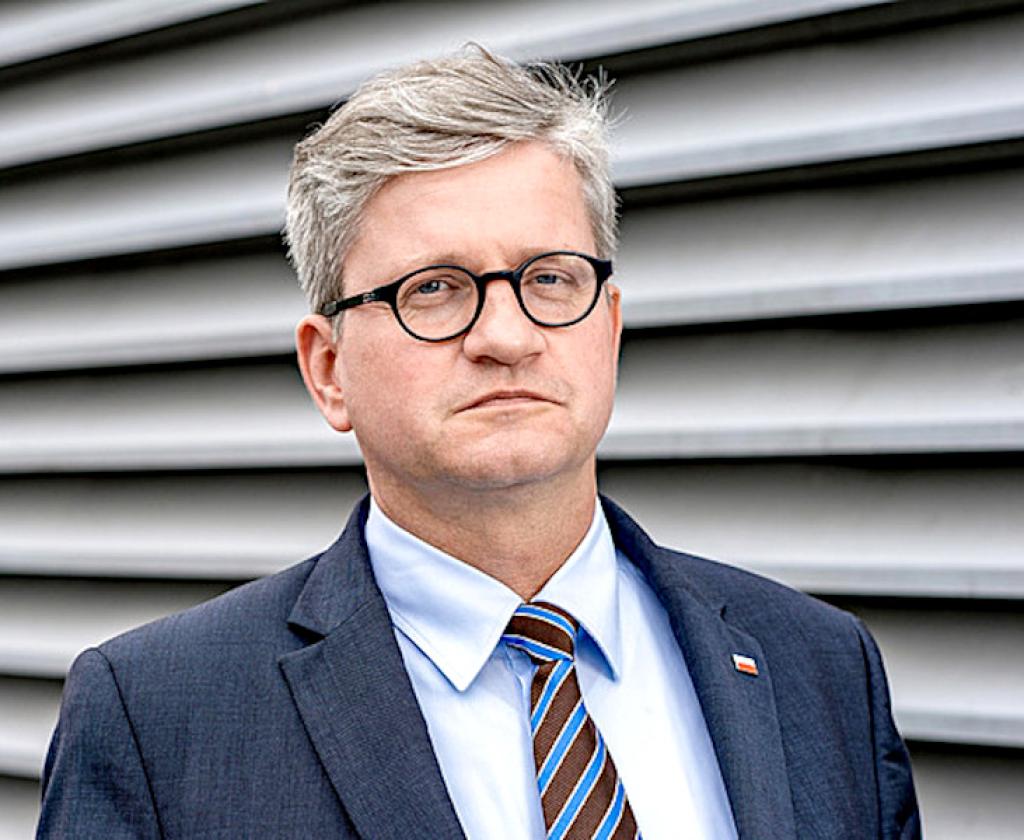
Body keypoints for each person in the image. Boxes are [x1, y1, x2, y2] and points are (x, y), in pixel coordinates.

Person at [37, 47, 920, 839]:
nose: (507, 335)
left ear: (609, 328)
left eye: (550, 277)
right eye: (434, 288)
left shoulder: (821, 667)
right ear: (328, 370)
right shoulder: (158, 718)